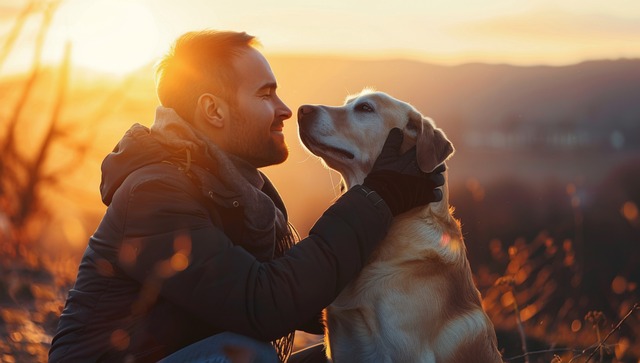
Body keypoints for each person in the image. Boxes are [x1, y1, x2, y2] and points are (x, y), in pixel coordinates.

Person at [49, 30, 445, 363]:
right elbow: (263, 304)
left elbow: (304, 295)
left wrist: (428, 297)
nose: (285, 109)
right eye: (266, 94)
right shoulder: (154, 194)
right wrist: (378, 198)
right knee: (242, 354)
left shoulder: (243, 194)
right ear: (213, 111)